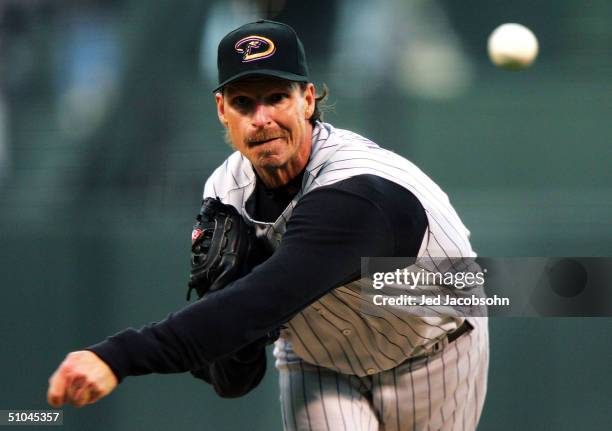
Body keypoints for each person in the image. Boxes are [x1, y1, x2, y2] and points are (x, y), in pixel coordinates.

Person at [47, 20, 489, 430]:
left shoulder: (355, 191)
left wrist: (118, 357)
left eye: (276, 97)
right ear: (222, 110)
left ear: (308, 99)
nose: (262, 119)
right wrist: (232, 336)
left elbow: (262, 300)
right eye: (244, 102)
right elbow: (234, 378)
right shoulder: (226, 192)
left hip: (433, 350)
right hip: (321, 363)